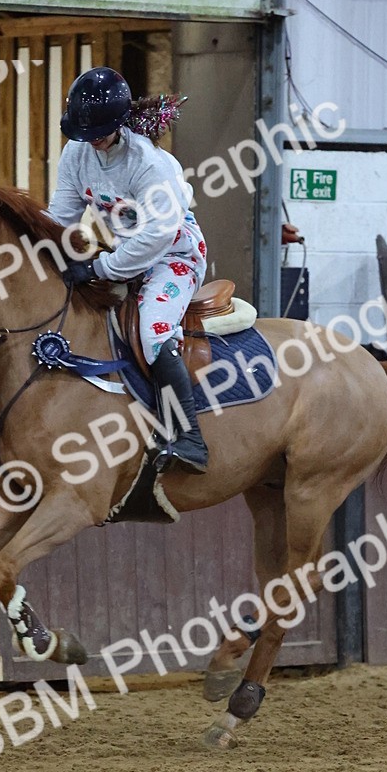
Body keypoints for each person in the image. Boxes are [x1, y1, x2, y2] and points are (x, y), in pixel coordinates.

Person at [49, 66, 304, 472]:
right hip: (124, 255)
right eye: (85, 134)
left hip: (173, 255)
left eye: (99, 132)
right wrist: (53, 257)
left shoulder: (148, 163)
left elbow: (159, 234)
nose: (92, 141)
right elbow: (61, 216)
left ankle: (189, 438)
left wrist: (102, 267)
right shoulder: (77, 153)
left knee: (153, 332)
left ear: (118, 124)